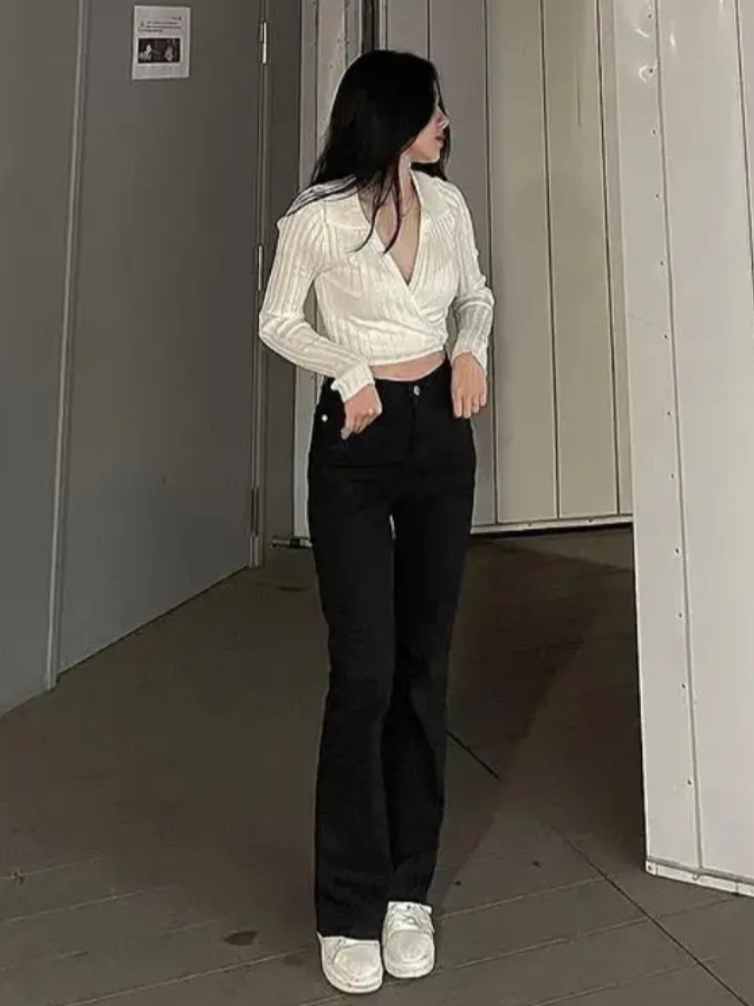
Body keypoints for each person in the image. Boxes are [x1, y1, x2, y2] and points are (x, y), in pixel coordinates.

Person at [259, 49, 494, 996]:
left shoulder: (449, 207)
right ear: (391, 120)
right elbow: (278, 320)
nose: (444, 126)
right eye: (432, 112)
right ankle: (347, 906)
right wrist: (349, 371)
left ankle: (407, 892)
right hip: (354, 443)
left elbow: (473, 293)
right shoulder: (317, 220)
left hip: (440, 438)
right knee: (363, 673)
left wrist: (471, 350)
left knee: (424, 667)